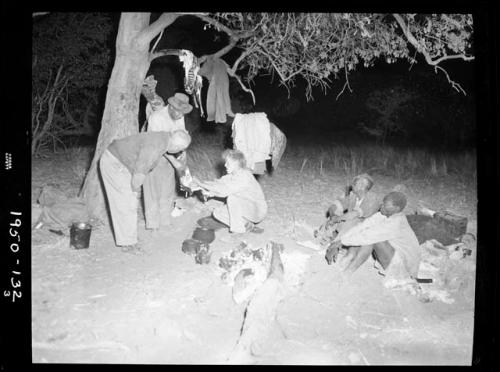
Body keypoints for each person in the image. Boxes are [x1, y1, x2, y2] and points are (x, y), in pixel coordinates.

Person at [100, 130, 191, 253]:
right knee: (126, 202)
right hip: (114, 163)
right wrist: (136, 189)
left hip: (122, 162)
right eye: (181, 149)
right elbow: (140, 171)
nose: (180, 152)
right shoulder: (155, 146)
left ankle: (128, 238)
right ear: (176, 147)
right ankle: (128, 244)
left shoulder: (165, 138)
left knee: (129, 200)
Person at [326, 191, 421, 280]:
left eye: (386, 205)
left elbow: (367, 236)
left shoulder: (397, 223)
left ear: (396, 209)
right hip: (395, 257)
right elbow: (362, 227)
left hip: (405, 270)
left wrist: (339, 243)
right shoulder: (383, 215)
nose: (381, 206)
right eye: (383, 203)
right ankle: (347, 260)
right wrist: (338, 242)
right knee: (363, 232)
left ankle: (348, 272)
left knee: (370, 239)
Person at [143, 93, 193, 230]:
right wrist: (173, 161)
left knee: (168, 187)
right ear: (171, 107)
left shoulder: (179, 115)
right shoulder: (156, 118)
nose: (181, 116)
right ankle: (152, 224)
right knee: (152, 190)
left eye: (183, 113)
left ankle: (165, 220)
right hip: (152, 155)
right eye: (178, 112)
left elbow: (181, 135)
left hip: (169, 154)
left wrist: (183, 153)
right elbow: (156, 144)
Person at [194, 149, 268, 234]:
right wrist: (200, 184)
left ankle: (238, 230)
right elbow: (218, 183)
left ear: (236, 164)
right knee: (218, 213)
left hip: (257, 210)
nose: (225, 165)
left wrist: (202, 185)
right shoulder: (233, 175)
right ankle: (246, 225)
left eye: (228, 163)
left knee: (232, 198)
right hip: (246, 205)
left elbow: (224, 191)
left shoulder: (244, 177)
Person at [316, 173, 380, 248]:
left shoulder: (372, 199)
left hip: (367, 230)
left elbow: (353, 215)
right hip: (353, 225)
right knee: (337, 215)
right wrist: (333, 216)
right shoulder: (354, 196)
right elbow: (334, 206)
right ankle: (329, 236)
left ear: (362, 186)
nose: (352, 185)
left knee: (350, 220)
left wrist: (336, 219)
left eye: (355, 183)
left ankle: (337, 243)